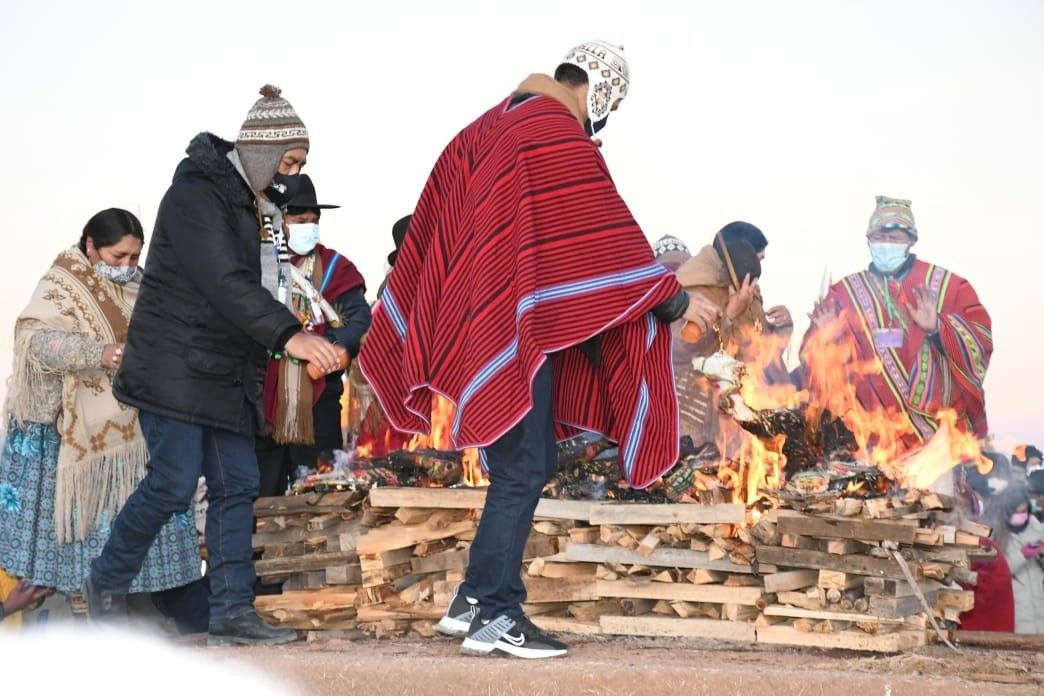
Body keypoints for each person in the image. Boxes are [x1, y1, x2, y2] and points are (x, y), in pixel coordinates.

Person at [359, 41, 716, 659]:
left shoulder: (488, 125)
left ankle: (472, 597)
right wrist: (677, 300)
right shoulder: (554, 133)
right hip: (512, 331)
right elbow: (608, 242)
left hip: (484, 320)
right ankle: (496, 615)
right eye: (611, 103)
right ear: (601, 92)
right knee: (524, 466)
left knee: (527, 459)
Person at [86, 86, 341, 647]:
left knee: (237, 485)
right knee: (174, 482)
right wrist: (288, 335)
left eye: (298, 167)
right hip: (174, 366)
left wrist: (285, 334)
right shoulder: (195, 197)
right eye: (288, 162)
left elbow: (262, 287)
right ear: (260, 151)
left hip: (226, 373)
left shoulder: (255, 208)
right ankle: (105, 582)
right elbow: (224, 282)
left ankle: (233, 612)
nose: (290, 177)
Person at [0, 210, 200, 599]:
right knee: (82, 549)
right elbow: (33, 340)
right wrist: (99, 352)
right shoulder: (61, 284)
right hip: (76, 438)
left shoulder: (143, 287)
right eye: (117, 257)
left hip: (140, 431)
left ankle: (128, 606)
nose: (127, 267)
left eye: (134, 258)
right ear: (91, 246)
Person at [803, 196, 993, 450]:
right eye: (880, 236)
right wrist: (825, 338)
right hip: (867, 440)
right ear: (869, 239)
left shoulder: (949, 286)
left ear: (911, 240)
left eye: (895, 238)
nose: (887, 243)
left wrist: (938, 328)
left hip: (936, 441)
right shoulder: (843, 293)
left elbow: (980, 342)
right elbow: (814, 368)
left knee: (935, 492)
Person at [256, 175, 371, 497]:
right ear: (278, 221)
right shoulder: (255, 267)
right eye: (300, 219)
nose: (309, 226)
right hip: (261, 402)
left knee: (322, 491)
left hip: (319, 399)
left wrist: (335, 350)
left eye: (314, 220)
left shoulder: (336, 267)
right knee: (261, 493)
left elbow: (357, 316)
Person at [993, 486, 1044, 633]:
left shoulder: (1039, 531)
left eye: (1024, 511)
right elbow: (998, 572)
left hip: (1040, 610)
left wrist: (1041, 554)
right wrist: (1023, 555)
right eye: (1016, 512)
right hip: (1017, 615)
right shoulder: (997, 537)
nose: (1021, 515)